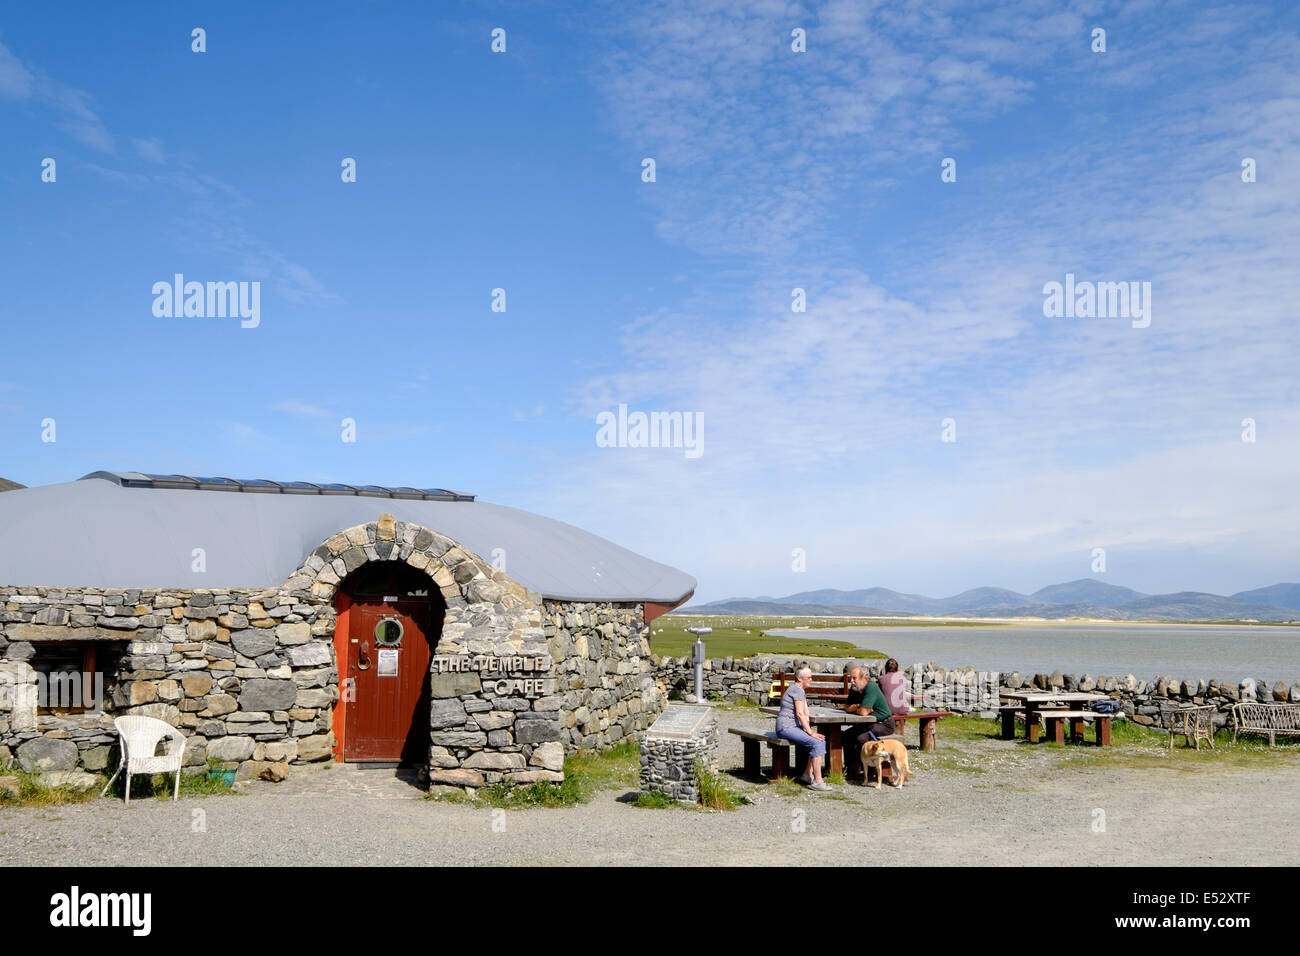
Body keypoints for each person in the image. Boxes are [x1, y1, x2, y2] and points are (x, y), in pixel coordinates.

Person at [775, 666, 833, 791]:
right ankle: (818, 781)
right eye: (809, 677)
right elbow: (800, 714)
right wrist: (810, 732)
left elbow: (805, 713)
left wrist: (808, 729)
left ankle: (807, 775)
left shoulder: (799, 690)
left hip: (788, 726)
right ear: (799, 679)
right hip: (786, 727)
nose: (811, 679)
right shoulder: (797, 690)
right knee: (817, 742)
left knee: (820, 740)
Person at [841, 666, 896, 774]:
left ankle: (872, 769)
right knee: (845, 736)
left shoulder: (871, 687)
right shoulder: (854, 689)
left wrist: (859, 709)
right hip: (867, 723)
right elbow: (847, 707)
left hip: (884, 723)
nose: (851, 681)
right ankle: (852, 768)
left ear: (864, 678)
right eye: (851, 678)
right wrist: (858, 706)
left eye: (854, 678)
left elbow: (863, 712)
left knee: (861, 738)